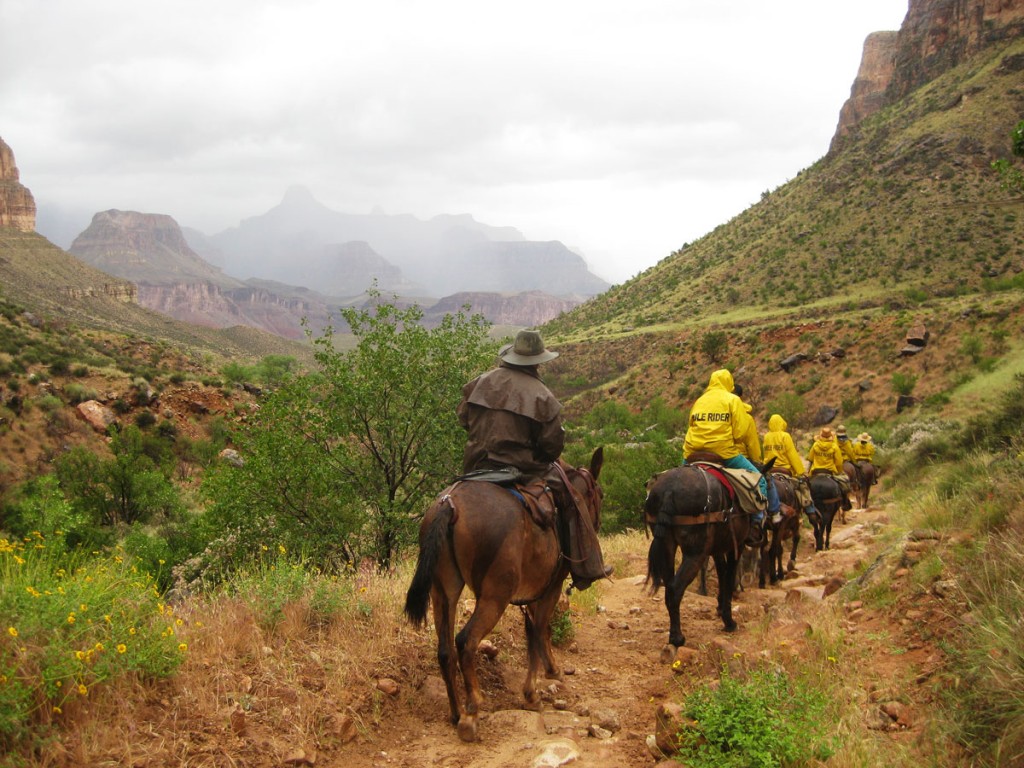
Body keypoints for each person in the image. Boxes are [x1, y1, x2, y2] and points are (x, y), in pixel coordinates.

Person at [457, 329, 611, 590]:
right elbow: (552, 446)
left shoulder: (479, 382)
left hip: (476, 464)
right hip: (521, 468)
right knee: (573, 497)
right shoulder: (542, 395)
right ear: (538, 361)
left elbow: (463, 418)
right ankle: (587, 568)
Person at [682, 369, 779, 546]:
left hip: (691, 452)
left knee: (680, 477)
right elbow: (741, 433)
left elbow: (691, 425)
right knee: (760, 481)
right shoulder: (732, 399)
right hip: (723, 452)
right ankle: (756, 523)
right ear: (729, 383)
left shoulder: (699, 400)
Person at [762, 413, 818, 522]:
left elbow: (766, 455)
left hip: (769, 470)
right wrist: (800, 472)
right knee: (803, 487)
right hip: (784, 470)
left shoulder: (767, 436)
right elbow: (792, 454)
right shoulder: (785, 436)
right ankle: (810, 511)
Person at [806, 427, 853, 511]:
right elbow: (839, 462)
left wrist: (807, 472)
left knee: (804, 488)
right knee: (846, 483)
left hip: (816, 471)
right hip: (829, 471)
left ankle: (805, 507)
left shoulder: (815, 445)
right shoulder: (834, 446)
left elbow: (810, 459)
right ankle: (845, 502)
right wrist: (839, 472)